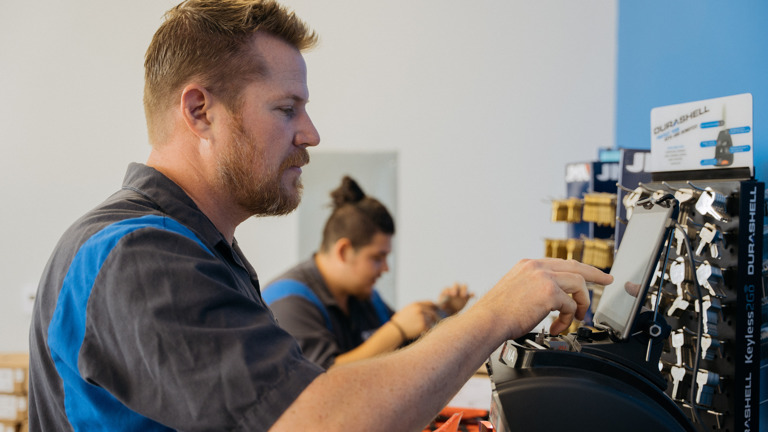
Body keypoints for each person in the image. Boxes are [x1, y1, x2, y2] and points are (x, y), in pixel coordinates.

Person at [28, 1, 613, 431]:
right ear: (200, 110)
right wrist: (493, 315)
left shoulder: (196, 248)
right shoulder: (138, 255)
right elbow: (312, 422)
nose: (310, 134)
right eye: (287, 109)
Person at [263, 176, 473, 369]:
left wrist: (443, 316)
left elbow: (406, 348)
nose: (385, 268)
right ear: (344, 251)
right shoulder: (288, 302)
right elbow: (322, 378)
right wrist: (397, 330)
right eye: (377, 258)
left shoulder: (367, 298)